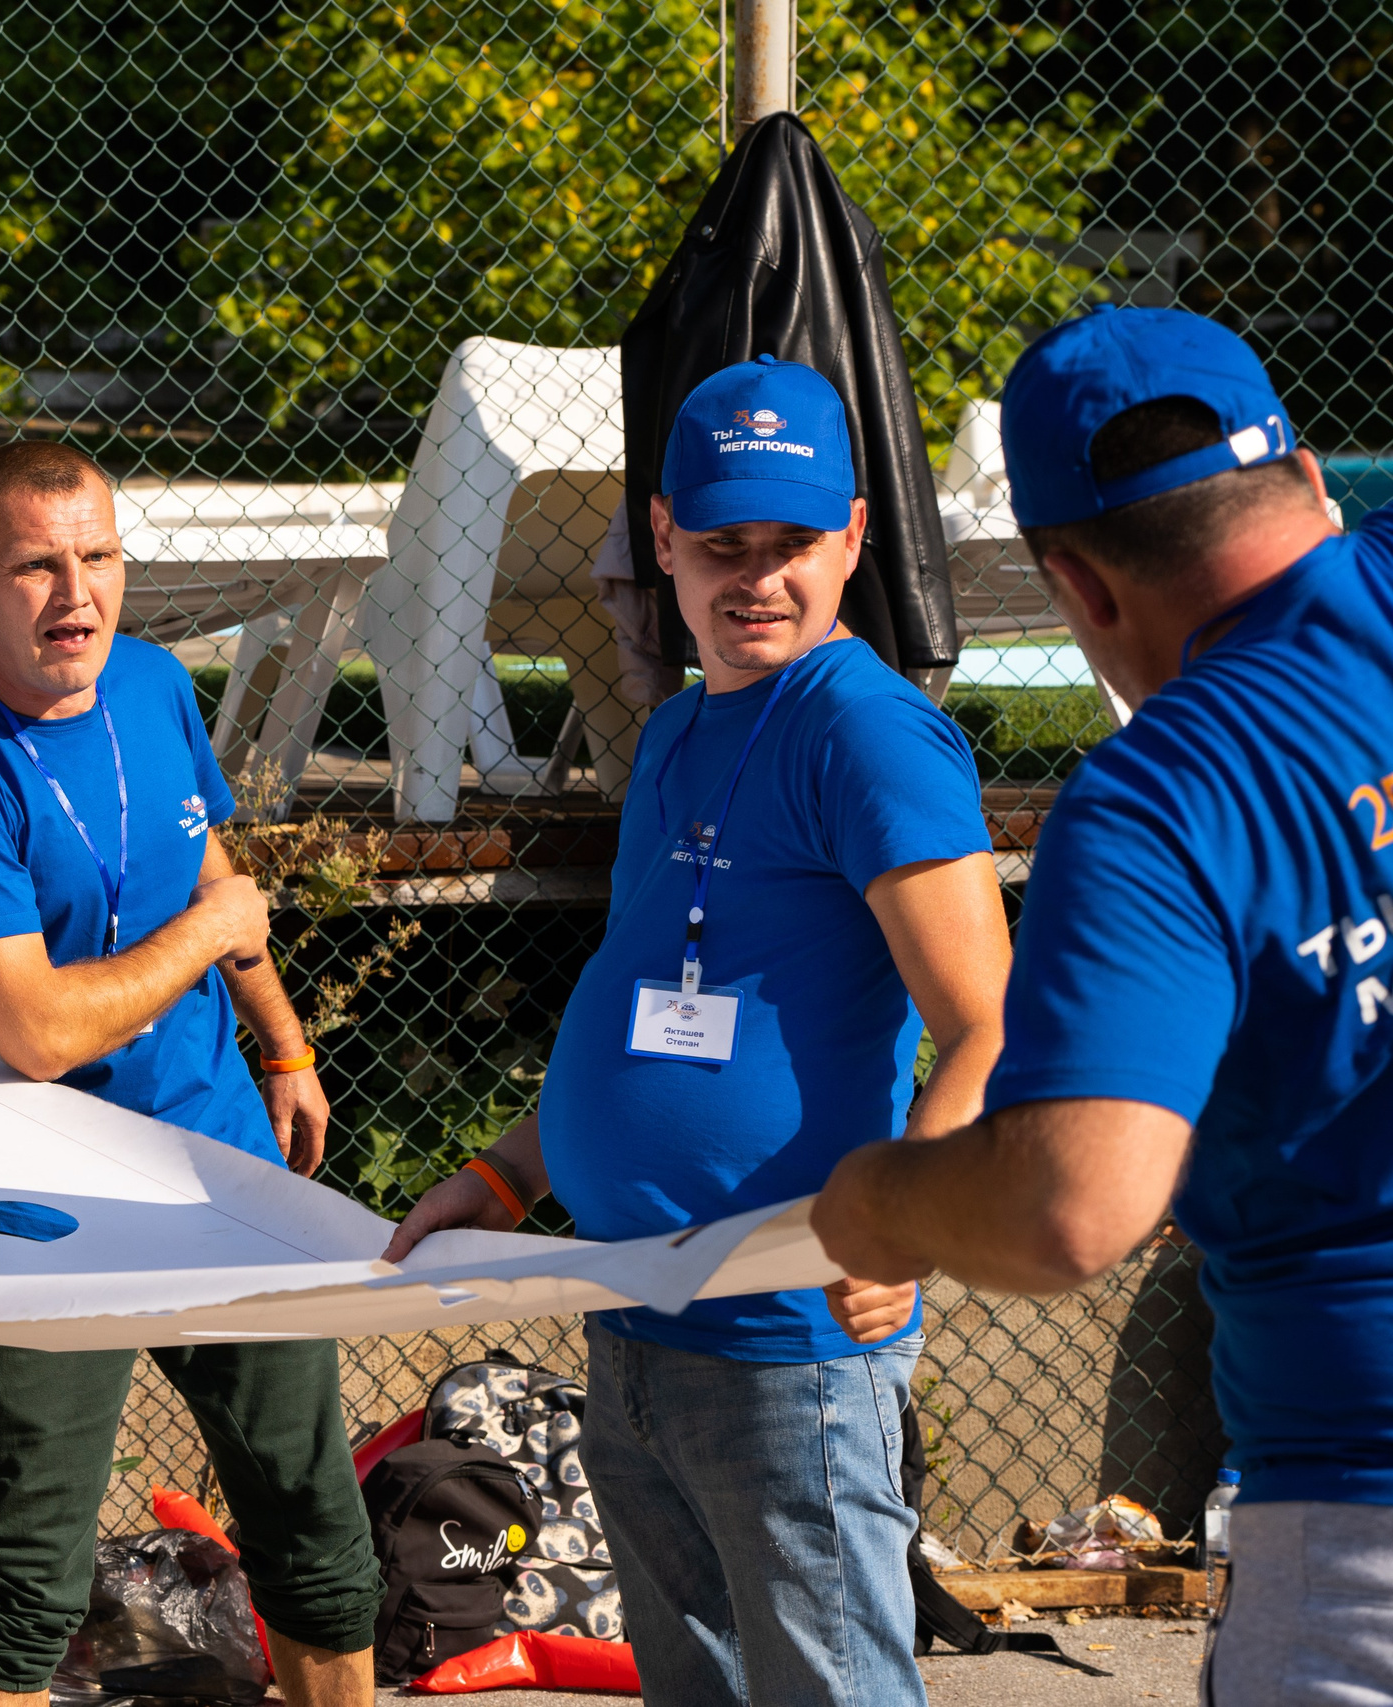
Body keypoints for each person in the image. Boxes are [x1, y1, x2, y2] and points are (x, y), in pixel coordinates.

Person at [383, 356, 1013, 1707]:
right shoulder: (675, 731)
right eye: (724, 545)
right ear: (663, 538)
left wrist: (908, 1223)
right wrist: (503, 1173)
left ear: (854, 534)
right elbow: (641, 1008)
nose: (759, 577)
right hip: (636, 1320)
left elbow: (984, 1024)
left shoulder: (871, 736)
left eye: (793, 544)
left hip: (789, 1340)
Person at [811, 306, 1392, 1706]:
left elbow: (1068, 1206)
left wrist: (877, 1199)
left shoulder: (1165, 795)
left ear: (1076, 585)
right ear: (1314, 477)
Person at [0, 441, 379, 1707]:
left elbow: (208, 877)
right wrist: (207, 942)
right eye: (35, 565)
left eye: (96, 558)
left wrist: (282, 1040)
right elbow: (37, 1029)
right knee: (27, 1570)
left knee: (314, 1523)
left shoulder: (151, 687)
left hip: (211, 1162)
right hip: (34, 1201)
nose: (73, 595)